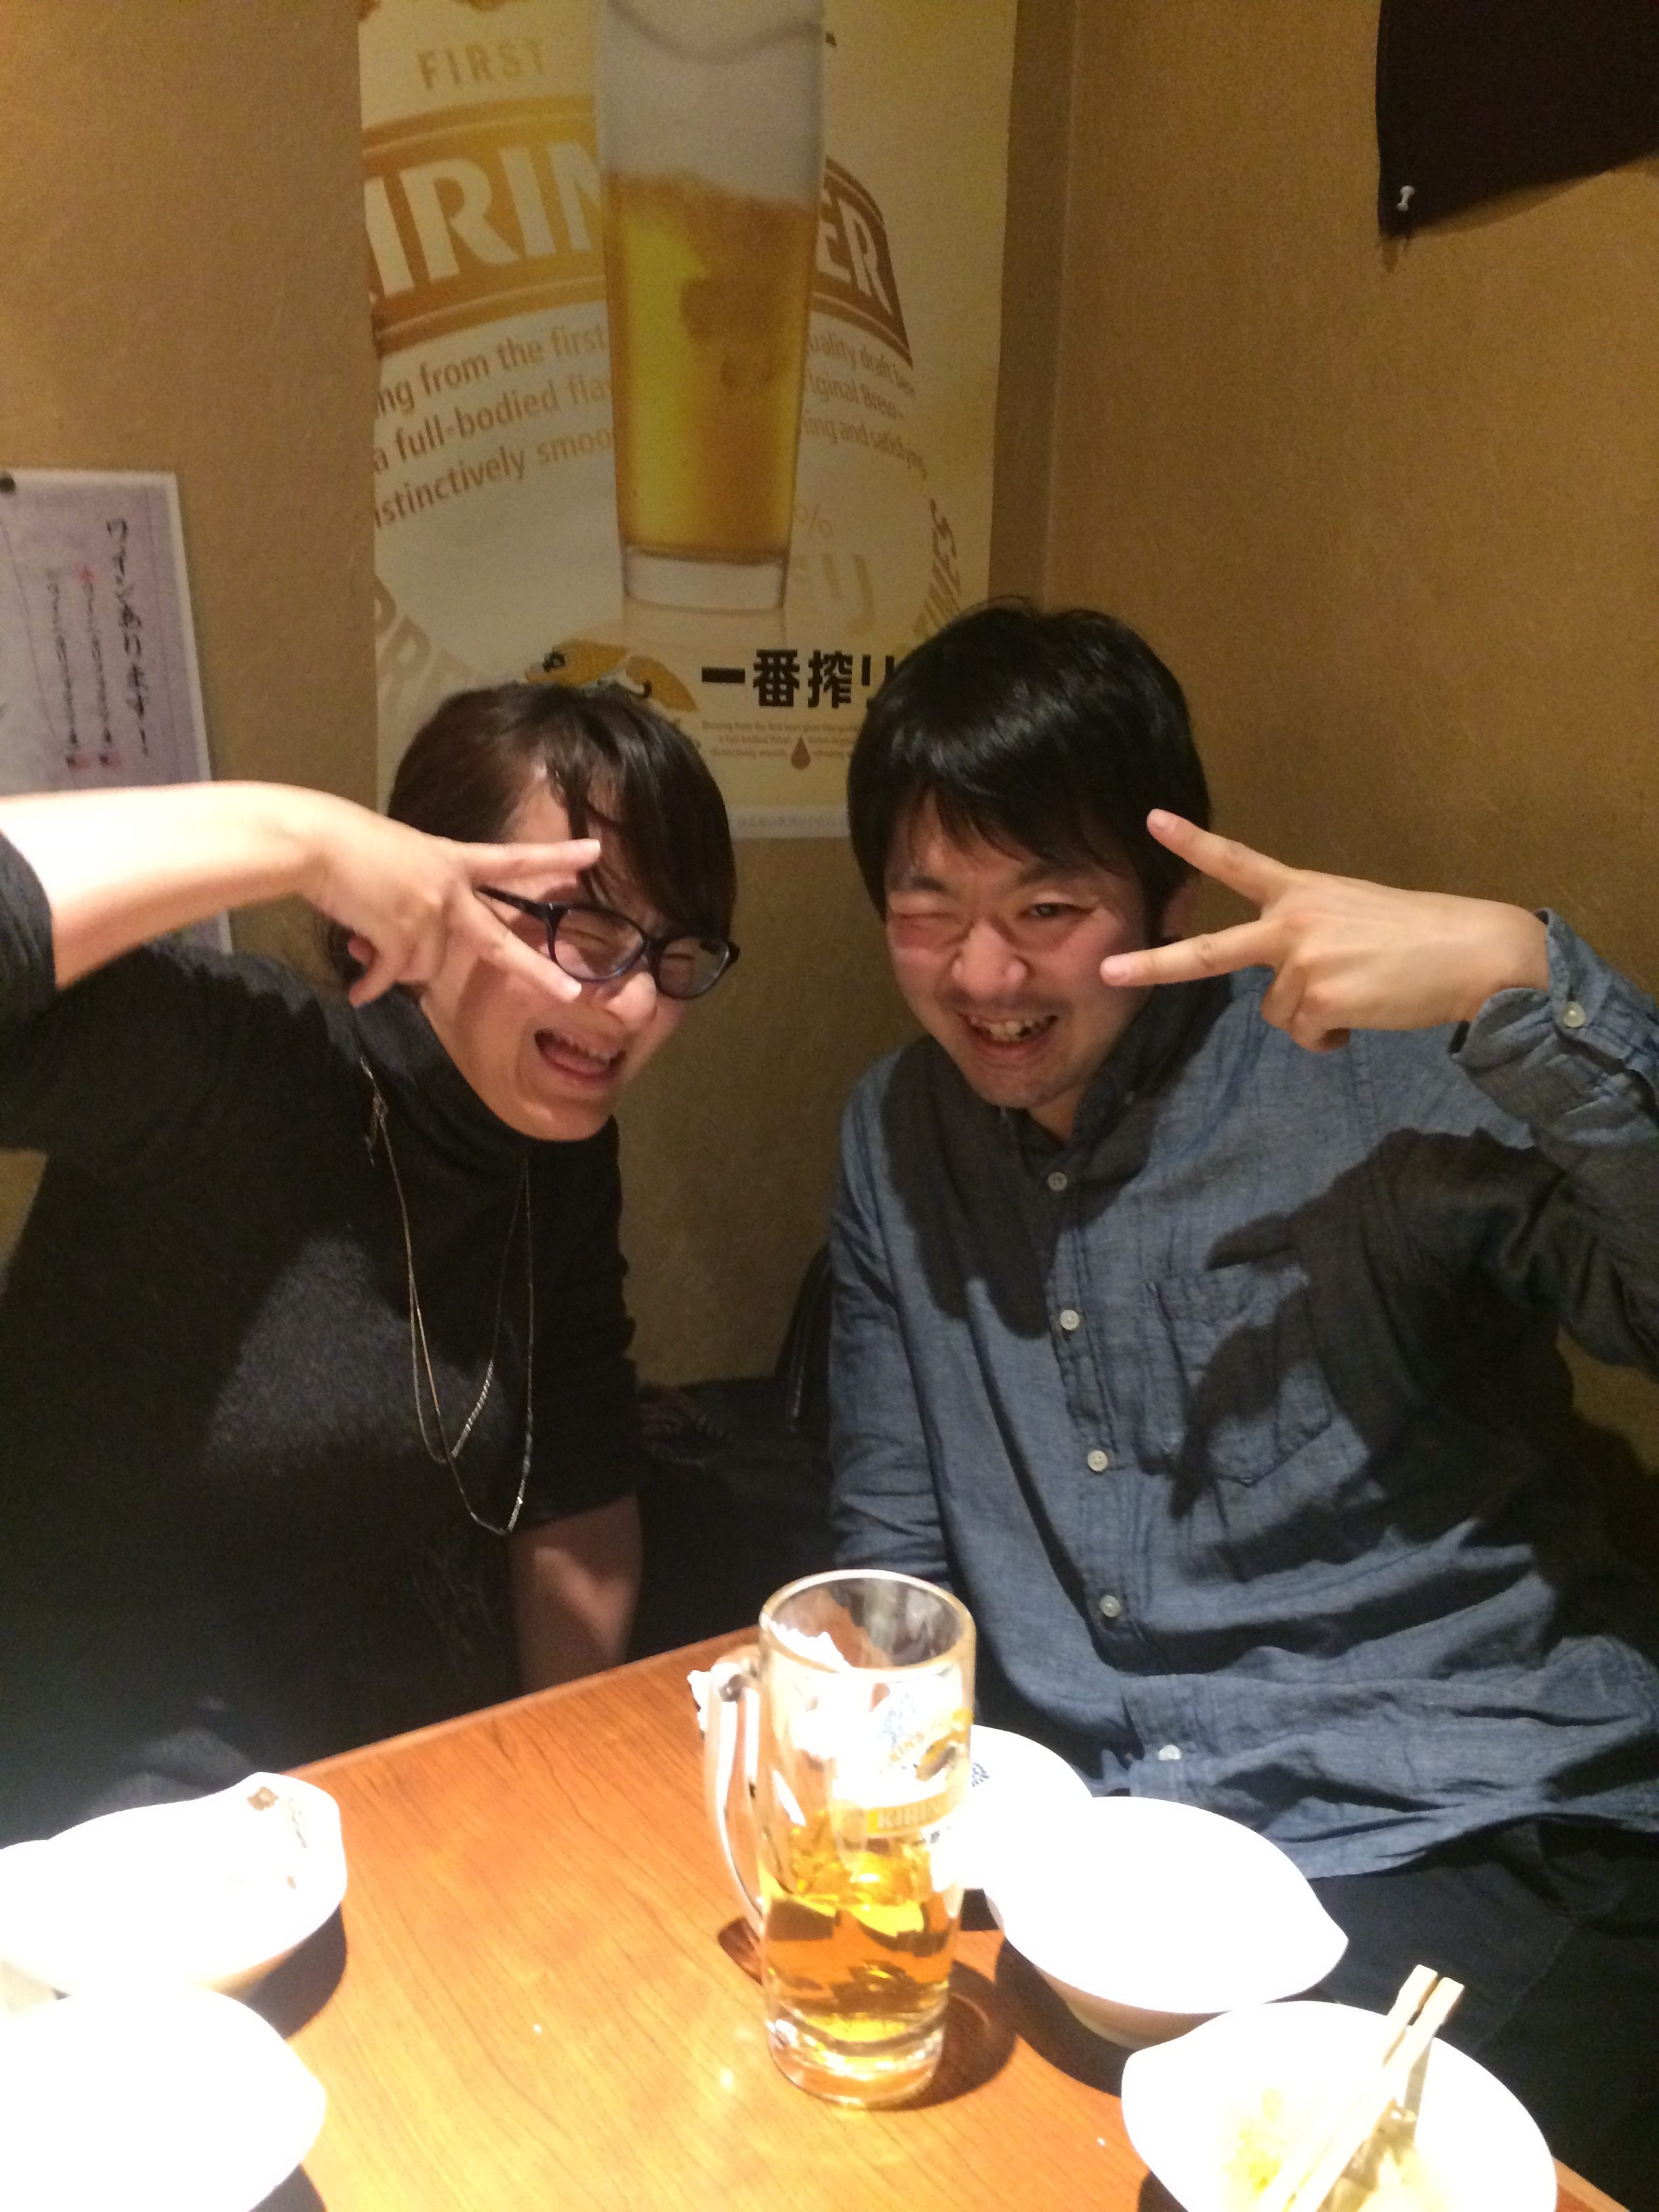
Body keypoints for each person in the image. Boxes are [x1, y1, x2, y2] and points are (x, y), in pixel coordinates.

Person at [830, 600, 1659, 2198]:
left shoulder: (1378, 1071)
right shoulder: (894, 1132)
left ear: (1172, 896)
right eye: (928, 907)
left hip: (1473, 1826)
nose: (984, 972)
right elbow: (894, 1551)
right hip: (1119, 1881)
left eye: (1048, 907)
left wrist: (1524, 975)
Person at [0, 679, 737, 1845]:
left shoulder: (551, 1144)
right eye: (580, 929)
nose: (636, 1000)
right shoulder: (238, 1058)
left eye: (674, 950)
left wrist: (562, 1778)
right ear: (399, 908)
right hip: (87, 1804)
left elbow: (577, 1477)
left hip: (358, 1786)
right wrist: (302, 835)